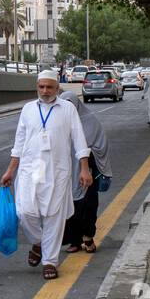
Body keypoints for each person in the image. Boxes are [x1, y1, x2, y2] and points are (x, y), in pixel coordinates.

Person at [0, 71, 93, 281]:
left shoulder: (68, 109)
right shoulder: (28, 109)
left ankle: (50, 261)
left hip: (57, 170)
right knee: (25, 212)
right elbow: (19, 143)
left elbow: (79, 141)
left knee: (54, 216)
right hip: (30, 169)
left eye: (49, 87)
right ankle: (39, 242)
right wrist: (10, 170)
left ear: (57, 88)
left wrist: (85, 169)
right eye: (41, 87)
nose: (44, 91)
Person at [59, 91, 113, 254]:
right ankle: (74, 240)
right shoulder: (59, 122)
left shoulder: (89, 120)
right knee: (69, 206)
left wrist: (86, 160)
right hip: (66, 171)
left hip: (87, 171)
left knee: (88, 204)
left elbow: (100, 145)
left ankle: (88, 237)